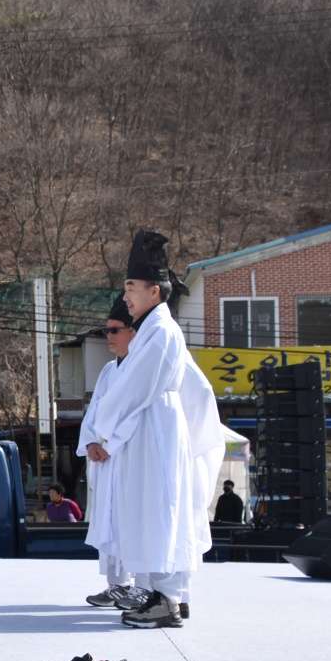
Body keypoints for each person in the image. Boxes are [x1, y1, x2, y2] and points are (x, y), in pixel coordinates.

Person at [81, 230, 223, 629]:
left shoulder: (161, 331)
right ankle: (163, 595)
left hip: (155, 430)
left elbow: (133, 388)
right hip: (149, 428)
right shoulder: (151, 330)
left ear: (154, 291)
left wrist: (105, 430)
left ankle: (166, 599)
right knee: (153, 509)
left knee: (159, 510)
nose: (127, 296)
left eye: (131, 287)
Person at [79, 297, 145, 611]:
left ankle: (142, 587)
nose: (109, 337)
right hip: (106, 461)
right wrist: (91, 442)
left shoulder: (143, 367)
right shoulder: (108, 370)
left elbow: (137, 413)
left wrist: (111, 443)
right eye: (106, 331)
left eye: (115, 330)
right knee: (109, 523)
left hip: (130, 458)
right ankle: (116, 585)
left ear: (134, 332)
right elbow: (94, 412)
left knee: (133, 523)